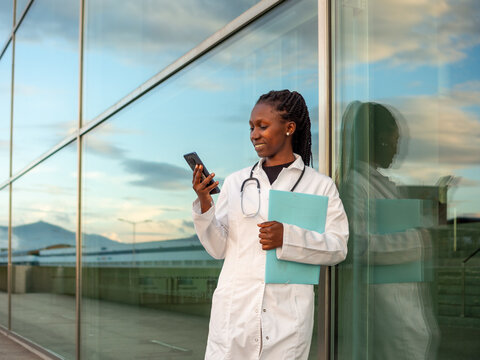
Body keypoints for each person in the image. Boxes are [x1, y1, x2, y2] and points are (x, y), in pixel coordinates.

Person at [191, 90, 349, 360]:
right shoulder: (236, 182)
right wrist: (205, 202)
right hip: (234, 313)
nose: (254, 134)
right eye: (252, 127)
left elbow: (338, 248)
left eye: (262, 126)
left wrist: (288, 238)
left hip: (287, 318)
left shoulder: (319, 186)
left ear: (289, 128)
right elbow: (218, 248)